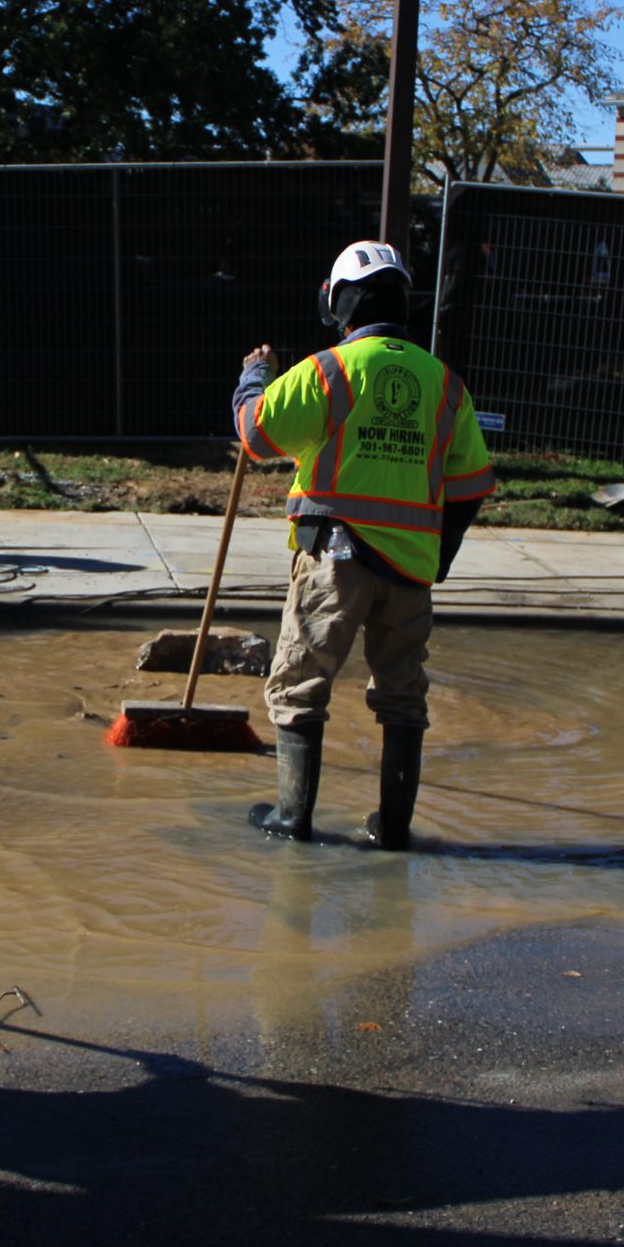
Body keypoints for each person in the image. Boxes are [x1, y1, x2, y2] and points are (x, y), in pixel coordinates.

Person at [231, 240, 494, 850]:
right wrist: (438, 558)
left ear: (340, 301)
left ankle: (292, 819)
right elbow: (471, 485)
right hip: (410, 574)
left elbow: (256, 435)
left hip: (334, 558)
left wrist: (253, 377)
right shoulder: (444, 384)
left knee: (300, 685)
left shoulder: (330, 370)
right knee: (403, 696)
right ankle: (392, 829)